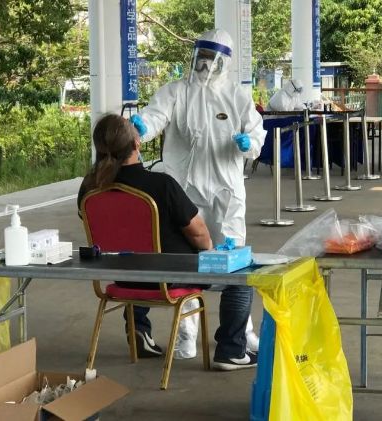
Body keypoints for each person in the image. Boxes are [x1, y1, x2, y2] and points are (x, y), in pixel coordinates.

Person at [131, 28, 266, 369]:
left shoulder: (236, 96)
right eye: (201, 57)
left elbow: (256, 132)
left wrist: (249, 145)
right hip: (185, 193)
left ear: (225, 62)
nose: (205, 65)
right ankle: (187, 333)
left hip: (225, 193)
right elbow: (155, 115)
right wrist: (142, 126)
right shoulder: (177, 91)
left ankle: (240, 333)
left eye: (212, 59)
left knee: (235, 265)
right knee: (187, 264)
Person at [78, 114, 212, 358]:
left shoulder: (89, 188)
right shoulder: (162, 185)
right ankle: (231, 349)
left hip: (120, 278)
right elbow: (200, 233)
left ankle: (138, 328)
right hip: (166, 278)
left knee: (134, 256)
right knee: (239, 281)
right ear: (137, 143)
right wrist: (209, 252)